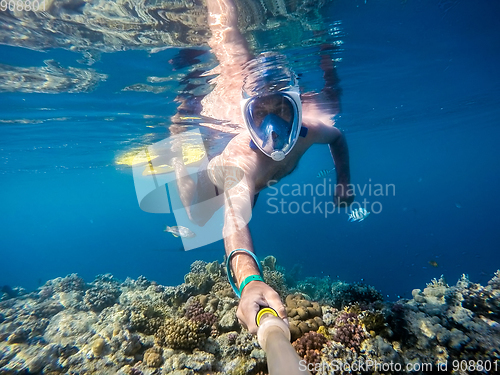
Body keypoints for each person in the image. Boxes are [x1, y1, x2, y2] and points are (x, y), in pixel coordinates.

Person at [169, 0, 354, 334]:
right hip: (218, 180)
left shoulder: (311, 131)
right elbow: (233, 222)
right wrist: (250, 281)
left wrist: (343, 181)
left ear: (297, 109)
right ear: (247, 118)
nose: (272, 128)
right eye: (259, 114)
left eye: (282, 110)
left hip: (255, 187)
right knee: (198, 217)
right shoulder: (244, 160)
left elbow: (338, 139)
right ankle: (182, 133)